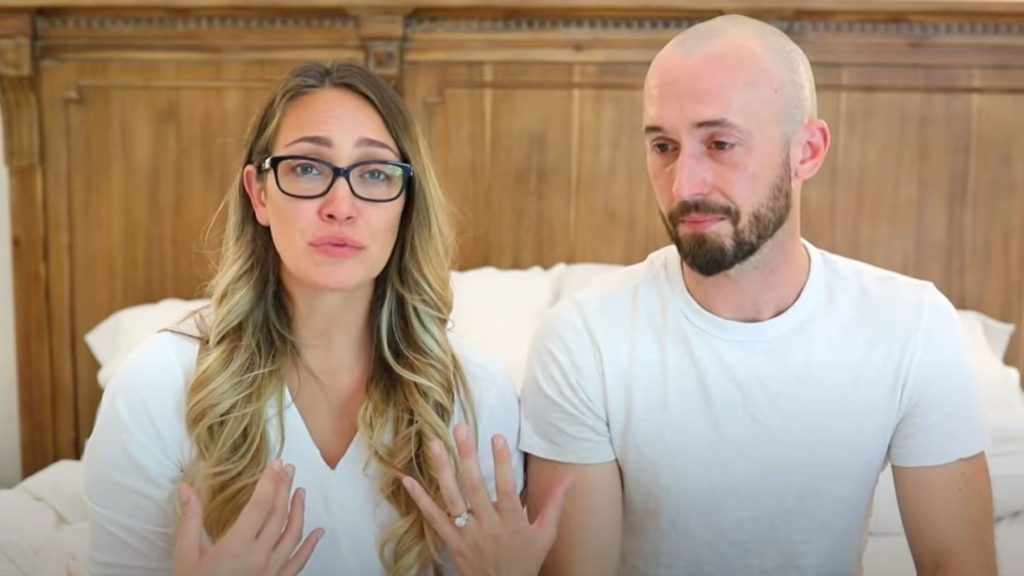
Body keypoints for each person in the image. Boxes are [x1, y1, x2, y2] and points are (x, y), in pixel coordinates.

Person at [520, 14, 996, 576]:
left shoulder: (911, 326)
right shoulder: (583, 338)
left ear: (808, 151)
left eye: (720, 143)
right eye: (664, 146)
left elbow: (956, 565)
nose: (683, 185)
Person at [84, 62, 564, 576]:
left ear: (407, 202)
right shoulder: (154, 386)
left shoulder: (476, 394)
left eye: (375, 173)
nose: (341, 205)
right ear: (259, 194)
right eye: (308, 168)